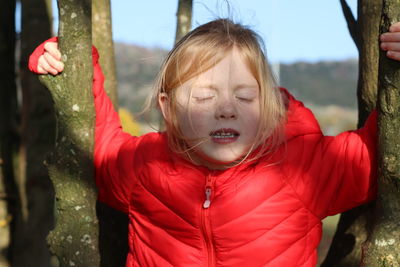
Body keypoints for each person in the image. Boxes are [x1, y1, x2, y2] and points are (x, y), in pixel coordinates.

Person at [29, 19, 400, 266]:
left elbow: (383, 152)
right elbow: (96, 143)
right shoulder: (145, 167)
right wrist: (73, 65)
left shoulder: (299, 165)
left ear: (269, 104)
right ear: (168, 108)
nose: (226, 110)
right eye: (204, 98)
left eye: (245, 97)